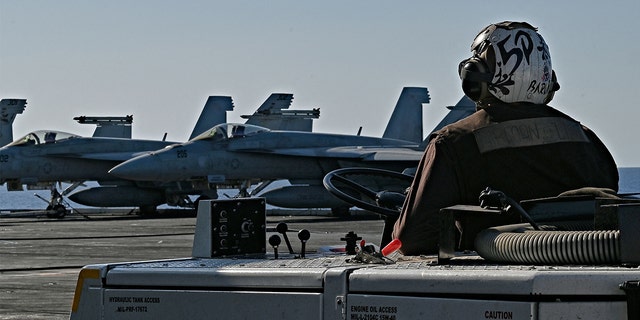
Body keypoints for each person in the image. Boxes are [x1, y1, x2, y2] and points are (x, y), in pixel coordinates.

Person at [391, 21, 619, 255]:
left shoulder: (453, 143)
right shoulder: (588, 141)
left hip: (485, 286)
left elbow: (412, 239)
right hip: (587, 277)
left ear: (475, 79)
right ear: (547, 81)